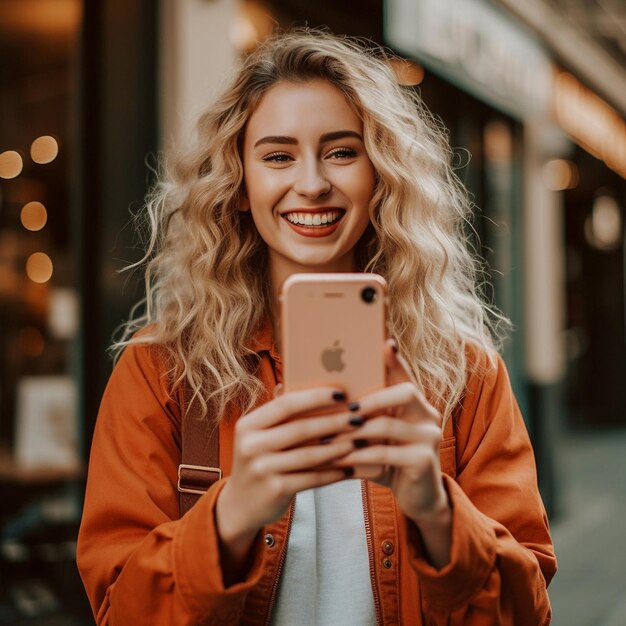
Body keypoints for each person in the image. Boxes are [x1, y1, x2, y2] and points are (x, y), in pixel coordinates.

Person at [76, 30, 556, 625]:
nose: (311, 183)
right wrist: (230, 516)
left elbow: (525, 612)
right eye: (278, 156)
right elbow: (121, 611)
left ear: (380, 173)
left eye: (341, 151)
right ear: (239, 185)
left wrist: (436, 512)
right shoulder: (161, 372)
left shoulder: (465, 373)